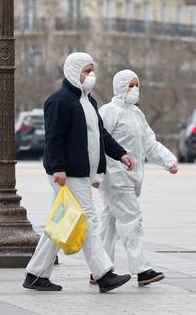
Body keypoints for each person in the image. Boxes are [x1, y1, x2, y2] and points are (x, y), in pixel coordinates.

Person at [23, 53, 137, 293]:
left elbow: (101, 135)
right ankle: (104, 274)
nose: (91, 76)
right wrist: (58, 168)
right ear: (74, 71)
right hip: (68, 173)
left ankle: (35, 274)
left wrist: (121, 154)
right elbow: (53, 137)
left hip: (79, 173)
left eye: (92, 71)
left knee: (63, 222)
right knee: (89, 219)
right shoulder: (60, 100)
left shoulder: (88, 101)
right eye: (86, 71)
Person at [95, 70, 178, 288]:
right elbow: (98, 142)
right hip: (115, 176)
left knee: (109, 223)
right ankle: (142, 270)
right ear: (120, 87)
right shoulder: (109, 112)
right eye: (130, 85)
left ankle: (99, 269)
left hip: (130, 177)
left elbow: (149, 143)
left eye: (136, 85)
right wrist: (97, 172)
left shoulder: (137, 114)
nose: (134, 89)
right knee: (132, 219)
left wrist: (168, 160)